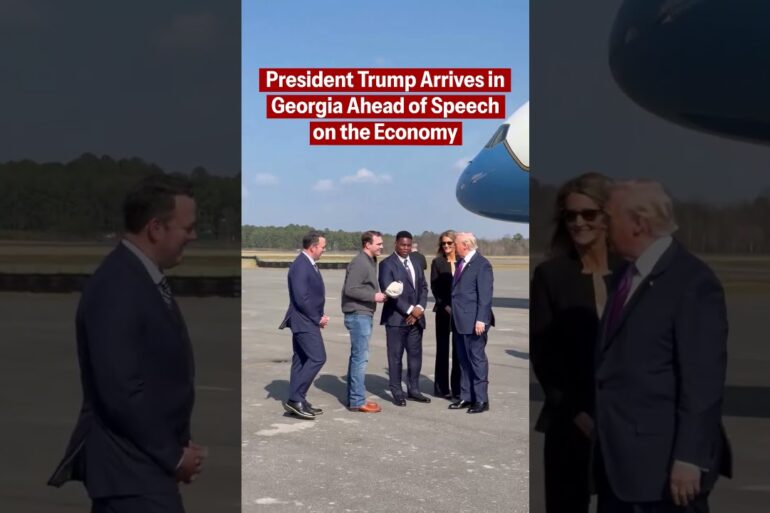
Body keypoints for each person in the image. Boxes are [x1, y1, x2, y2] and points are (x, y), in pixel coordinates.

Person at [48, 174, 205, 513]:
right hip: (129, 473)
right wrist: (174, 455)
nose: (193, 236)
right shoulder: (118, 286)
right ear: (156, 228)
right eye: (187, 227)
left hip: (142, 470)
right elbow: (122, 392)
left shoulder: (139, 278)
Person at [595, 180, 732, 512]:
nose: (602, 226)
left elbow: (703, 383)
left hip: (662, 472)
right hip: (622, 467)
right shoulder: (629, 276)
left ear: (638, 224)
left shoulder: (691, 282)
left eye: (608, 217)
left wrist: (690, 458)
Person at [530, 172, 615, 513]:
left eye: (589, 214)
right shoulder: (551, 275)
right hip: (569, 417)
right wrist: (576, 410)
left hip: (624, 422)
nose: (579, 222)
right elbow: (544, 352)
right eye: (570, 215)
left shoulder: (633, 271)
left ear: (608, 217)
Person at [279, 231, 329, 420]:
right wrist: (317, 318)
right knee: (317, 358)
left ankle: (298, 399)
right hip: (304, 320)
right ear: (313, 246)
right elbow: (302, 298)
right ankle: (295, 399)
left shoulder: (308, 264)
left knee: (301, 360)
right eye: (323, 247)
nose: (324, 250)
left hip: (306, 319)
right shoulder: (301, 265)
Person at [378, 231, 431, 406]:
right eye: (403, 245)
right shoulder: (387, 264)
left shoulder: (416, 262)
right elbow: (389, 291)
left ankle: (414, 389)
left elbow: (423, 287)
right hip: (396, 319)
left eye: (409, 245)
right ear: (396, 244)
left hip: (417, 318)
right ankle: (397, 391)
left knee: (415, 357)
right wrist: (409, 310)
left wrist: (419, 309)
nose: (406, 248)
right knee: (395, 357)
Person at [448, 232, 494, 414]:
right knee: (463, 361)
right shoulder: (461, 263)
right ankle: (466, 397)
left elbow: (485, 295)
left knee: (476, 360)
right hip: (460, 321)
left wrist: (481, 319)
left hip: (474, 321)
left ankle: (481, 399)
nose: (453, 247)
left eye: (456, 244)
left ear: (465, 245)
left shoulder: (482, 265)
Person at [341, 230, 387, 413]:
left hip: (363, 314)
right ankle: (357, 401)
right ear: (367, 244)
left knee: (358, 357)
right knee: (360, 358)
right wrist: (373, 296)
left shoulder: (369, 260)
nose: (382, 247)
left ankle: (355, 397)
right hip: (358, 315)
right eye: (378, 244)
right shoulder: (360, 262)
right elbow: (350, 289)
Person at [430, 230, 461, 399]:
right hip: (443, 310)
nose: (446, 246)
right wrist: (445, 305)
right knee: (442, 350)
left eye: (449, 243)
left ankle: (457, 388)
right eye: (444, 243)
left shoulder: (462, 261)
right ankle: (442, 388)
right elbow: (435, 288)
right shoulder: (437, 262)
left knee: (458, 351)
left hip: (461, 313)